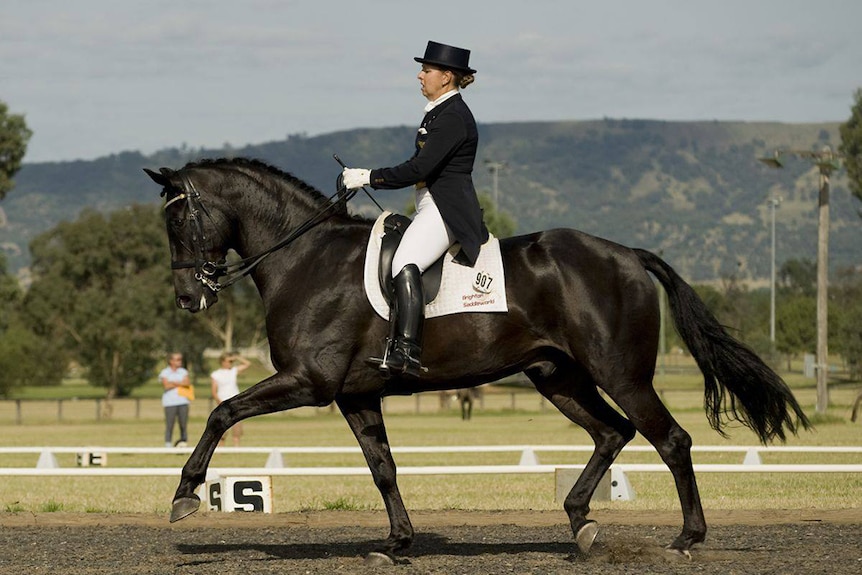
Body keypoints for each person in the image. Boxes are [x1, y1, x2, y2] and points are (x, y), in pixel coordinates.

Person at [341, 40, 489, 379]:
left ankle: (407, 350)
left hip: (446, 210)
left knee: (403, 262)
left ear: (447, 76)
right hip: (431, 206)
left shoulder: (453, 117)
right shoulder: (440, 112)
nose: (420, 76)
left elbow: (419, 169)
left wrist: (370, 177)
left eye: (427, 70)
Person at [210, 352, 251, 446]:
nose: (231, 363)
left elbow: (247, 364)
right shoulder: (216, 374)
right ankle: (221, 448)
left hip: (236, 402)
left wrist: (237, 357)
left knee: (237, 427)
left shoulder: (233, 371)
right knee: (222, 428)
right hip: (223, 402)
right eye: (229, 361)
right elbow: (214, 392)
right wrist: (220, 403)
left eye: (232, 361)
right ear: (222, 361)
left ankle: (236, 448)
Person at [159, 352, 191, 447]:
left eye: (180, 359)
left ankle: (183, 443)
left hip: (183, 402)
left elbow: (187, 383)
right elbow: (166, 386)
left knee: (183, 425)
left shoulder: (184, 372)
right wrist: (180, 383)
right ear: (171, 361)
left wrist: (173, 382)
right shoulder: (165, 372)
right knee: (170, 425)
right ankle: (168, 444)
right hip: (170, 403)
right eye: (177, 359)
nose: (180, 361)